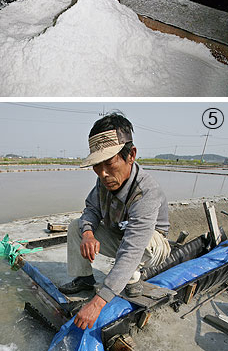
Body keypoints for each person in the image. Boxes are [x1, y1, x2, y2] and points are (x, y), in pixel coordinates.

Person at [63, 112, 171, 331]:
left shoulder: (146, 191)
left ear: (130, 155)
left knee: (140, 242)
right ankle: (84, 278)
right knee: (77, 226)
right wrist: (88, 234)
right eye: (97, 165)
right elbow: (91, 209)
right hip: (121, 236)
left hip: (151, 246)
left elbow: (132, 248)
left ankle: (132, 279)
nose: (103, 174)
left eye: (109, 163)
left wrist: (98, 301)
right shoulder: (104, 180)